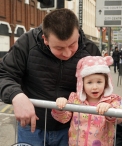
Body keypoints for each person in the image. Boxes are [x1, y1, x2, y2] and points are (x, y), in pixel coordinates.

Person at [0, 8, 101, 146]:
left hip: (72, 127)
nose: (67, 53)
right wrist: (16, 95)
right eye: (59, 48)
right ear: (45, 39)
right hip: (32, 125)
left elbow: (103, 86)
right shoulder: (27, 42)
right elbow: (4, 73)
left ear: (77, 33)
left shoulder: (91, 50)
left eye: (72, 45)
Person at [51, 56, 122, 146]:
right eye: (89, 82)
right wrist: (60, 106)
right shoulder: (75, 99)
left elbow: (120, 117)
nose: (94, 87)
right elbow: (64, 118)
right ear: (81, 83)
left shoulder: (111, 100)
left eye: (99, 82)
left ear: (106, 82)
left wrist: (110, 110)